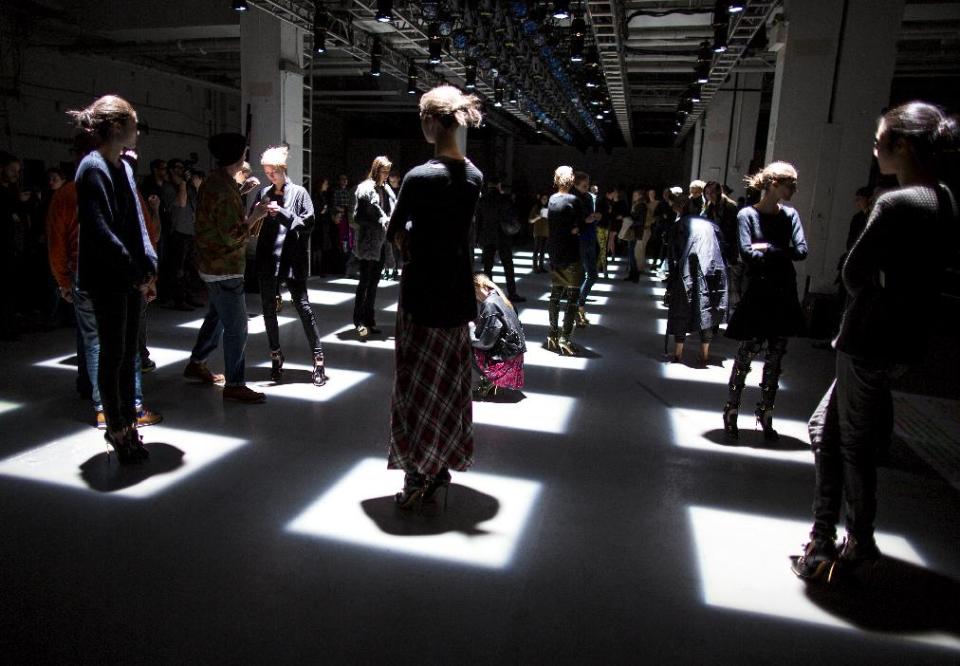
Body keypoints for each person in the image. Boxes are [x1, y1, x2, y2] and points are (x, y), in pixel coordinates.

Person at [792, 102, 958, 580]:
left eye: (880, 137)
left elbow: (852, 272)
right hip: (904, 341)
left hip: (867, 338)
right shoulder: (946, 199)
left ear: (902, 144)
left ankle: (852, 541)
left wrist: (879, 280)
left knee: (851, 442)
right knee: (827, 429)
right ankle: (827, 536)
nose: (874, 146)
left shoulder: (894, 201)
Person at [385, 84, 484, 510]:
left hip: (421, 294)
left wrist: (412, 243)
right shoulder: (475, 177)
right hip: (456, 295)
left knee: (416, 384)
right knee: (447, 384)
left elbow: (394, 232)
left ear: (429, 120)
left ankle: (417, 476)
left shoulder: (418, 177)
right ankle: (440, 464)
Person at [67, 95, 158, 463]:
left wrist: (148, 263)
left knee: (126, 355)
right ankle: (117, 427)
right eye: (134, 124)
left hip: (128, 278)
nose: (138, 132)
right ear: (118, 127)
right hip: (108, 279)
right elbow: (100, 231)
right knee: (113, 354)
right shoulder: (92, 168)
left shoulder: (120, 166)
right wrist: (136, 271)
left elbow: (135, 221)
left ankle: (128, 424)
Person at [722, 161, 807, 442]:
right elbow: (747, 253)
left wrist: (768, 249)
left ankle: (765, 412)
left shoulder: (790, 215)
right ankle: (733, 409)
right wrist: (780, 252)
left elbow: (802, 250)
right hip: (760, 289)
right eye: (789, 184)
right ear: (773, 183)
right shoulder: (747, 214)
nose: (794, 189)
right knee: (747, 354)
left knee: (775, 357)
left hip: (780, 288)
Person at [184, 133, 270, 404]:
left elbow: (220, 213)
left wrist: (242, 193)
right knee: (237, 326)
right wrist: (256, 214)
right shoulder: (223, 188)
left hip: (212, 264)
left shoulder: (218, 181)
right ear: (239, 155)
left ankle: (197, 362)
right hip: (224, 266)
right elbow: (232, 234)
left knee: (218, 316)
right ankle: (235, 383)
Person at [254, 145, 325, 386]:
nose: (269, 177)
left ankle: (318, 360)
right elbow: (253, 227)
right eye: (266, 172)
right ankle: (276, 357)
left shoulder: (300, 193)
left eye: (273, 172)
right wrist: (258, 213)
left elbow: (308, 224)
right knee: (268, 309)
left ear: (283, 169)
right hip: (267, 260)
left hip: (292, 260)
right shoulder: (263, 192)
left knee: (303, 308)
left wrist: (281, 212)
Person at [664, 196, 727, 365]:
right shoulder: (712, 225)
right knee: (707, 309)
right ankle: (705, 354)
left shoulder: (679, 225)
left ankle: (678, 353)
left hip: (687, 270)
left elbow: (673, 255)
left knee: (681, 308)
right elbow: (723, 248)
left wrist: (670, 281)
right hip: (714, 269)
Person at [351, 155, 395, 339]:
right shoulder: (365, 189)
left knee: (374, 284)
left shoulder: (385, 189)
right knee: (365, 283)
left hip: (381, 242)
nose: (386, 175)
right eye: (384, 171)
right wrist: (379, 220)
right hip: (369, 242)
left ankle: (369, 320)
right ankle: (359, 321)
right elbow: (359, 216)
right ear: (376, 170)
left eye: (388, 172)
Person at [546, 166, 587, 355]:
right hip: (570, 253)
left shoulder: (552, 199)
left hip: (555, 252)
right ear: (571, 180)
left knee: (555, 295)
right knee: (572, 297)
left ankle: (552, 335)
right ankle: (565, 339)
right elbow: (580, 226)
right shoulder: (574, 200)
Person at [469, 273, 526, 400]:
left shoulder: (489, 304)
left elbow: (486, 343)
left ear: (478, 287)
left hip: (506, 359)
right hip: (515, 354)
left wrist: (470, 338)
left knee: (465, 347)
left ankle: (488, 380)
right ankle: (488, 381)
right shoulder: (500, 297)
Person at [476, 176, 525, 302]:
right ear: (499, 185)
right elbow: (513, 216)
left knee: (488, 267)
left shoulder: (483, 200)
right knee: (508, 266)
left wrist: (478, 238)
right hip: (503, 236)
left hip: (488, 236)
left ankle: (488, 292)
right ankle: (512, 293)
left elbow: (479, 222)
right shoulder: (505, 199)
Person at [703, 180, 742, 319]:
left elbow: (733, 231)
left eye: (712, 192)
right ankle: (714, 314)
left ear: (719, 192)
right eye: (707, 193)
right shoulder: (709, 207)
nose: (710, 195)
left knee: (726, 284)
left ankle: (722, 314)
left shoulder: (730, 207)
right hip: (712, 249)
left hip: (726, 250)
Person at [574, 171, 601, 327]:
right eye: (584, 185)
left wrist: (594, 218)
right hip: (581, 239)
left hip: (590, 237)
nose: (587, 187)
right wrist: (586, 220)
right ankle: (578, 308)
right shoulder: (575, 198)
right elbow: (576, 221)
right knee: (587, 275)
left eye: (587, 184)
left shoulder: (588, 197)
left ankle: (579, 307)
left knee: (590, 275)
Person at [529, 193, 549, 273]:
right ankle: (535, 267)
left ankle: (541, 266)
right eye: (543, 199)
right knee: (536, 250)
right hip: (538, 231)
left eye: (546, 199)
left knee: (543, 251)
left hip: (546, 232)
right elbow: (530, 220)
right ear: (540, 199)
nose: (545, 200)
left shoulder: (548, 208)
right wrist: (538, 217)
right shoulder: (536, 207)